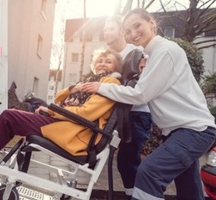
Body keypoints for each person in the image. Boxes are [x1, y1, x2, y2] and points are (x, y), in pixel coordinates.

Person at [0, 48, 123, 187]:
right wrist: (74, 88)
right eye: (100, 60)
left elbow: (86, 114)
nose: (102, 63)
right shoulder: (91, 82)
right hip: (64, 123)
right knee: (10, 118)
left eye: (108, 61)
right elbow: (59, 98)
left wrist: (50, 111)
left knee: (9, 117)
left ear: (116, 67)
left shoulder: (110, 83)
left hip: (75, 133)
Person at [82, 8, 216, 200]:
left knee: (149, 172)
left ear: (151, 23)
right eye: (128, 30)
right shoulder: (152, 56)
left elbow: (140, 94)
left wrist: (100, 87)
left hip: (194, 131)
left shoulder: (165, 51)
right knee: (189, 192)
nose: (133, 33)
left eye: (137, 26)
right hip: (180, 132)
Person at [104, 15, 152, 199]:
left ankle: (141, 195)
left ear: (122, 32)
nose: (106, 33)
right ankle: (134, 195)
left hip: (137, 114)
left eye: (110, 29)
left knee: (127, 161)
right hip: (118, 115)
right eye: (105, 30)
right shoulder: (110, 57)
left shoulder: (136, 52)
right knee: (123, 162)